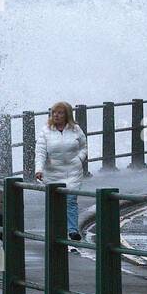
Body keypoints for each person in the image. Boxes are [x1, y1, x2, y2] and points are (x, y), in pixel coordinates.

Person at [34, 101, 87, 240]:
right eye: (54, 113)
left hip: (73, 171)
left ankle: (72, 230)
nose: (56, 115)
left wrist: (79, 159)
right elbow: (40, 152)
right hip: (53, 172)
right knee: (55, 202)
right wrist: (38, 169)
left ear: (67, 115)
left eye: (60, 113)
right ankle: (56, 230)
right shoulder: (46, 131)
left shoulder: (76, 129)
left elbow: (83, 147)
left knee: (70, 200)